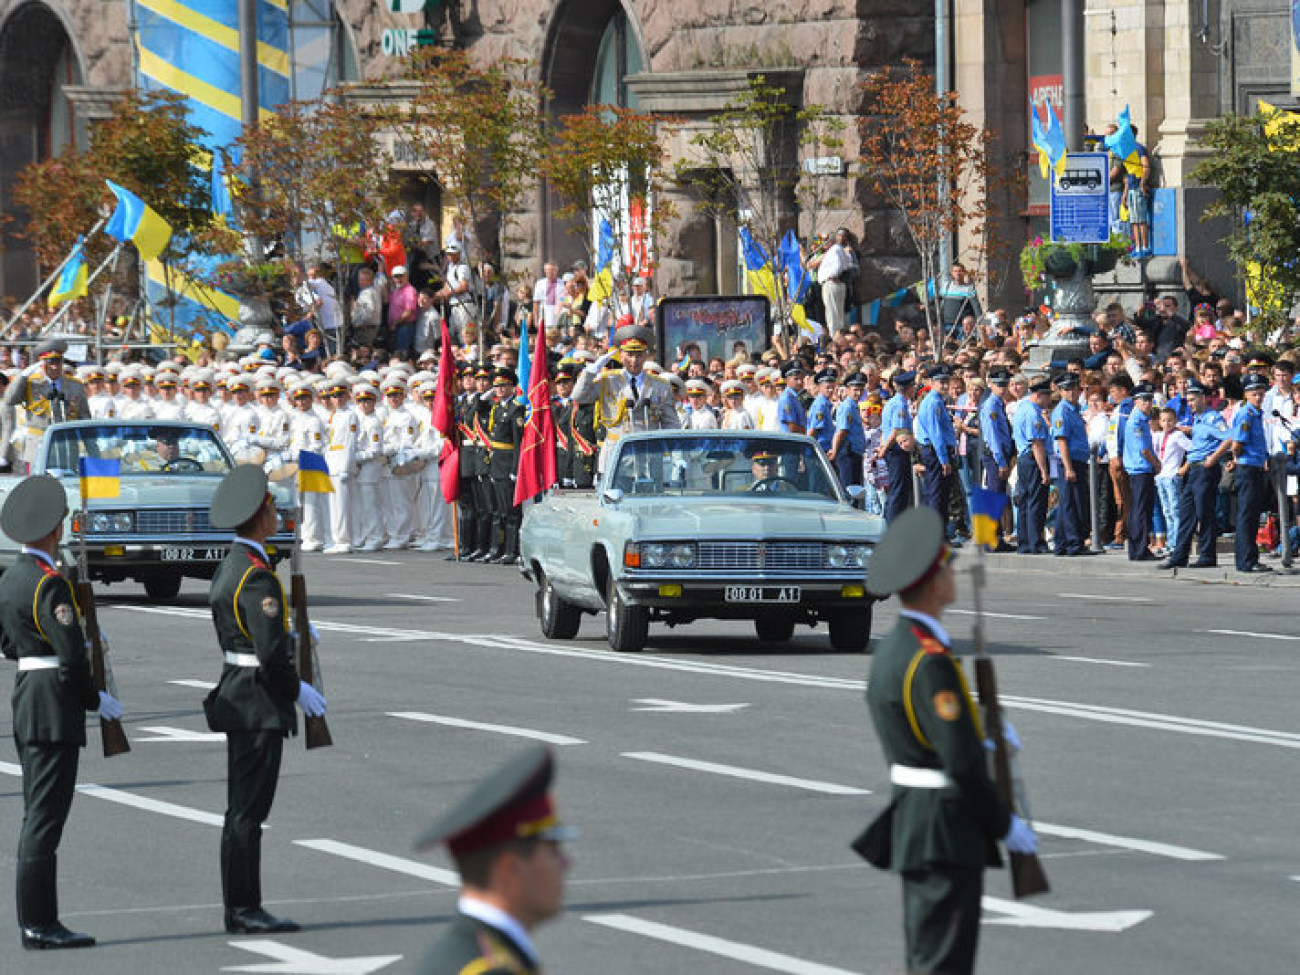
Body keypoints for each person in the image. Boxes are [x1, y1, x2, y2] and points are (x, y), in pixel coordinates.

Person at [860, 506, 1037, 975]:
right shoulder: (931, 659)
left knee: (928, 956)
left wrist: (981, 725)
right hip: (945, 828)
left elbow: (924, 727)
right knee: (944, 964)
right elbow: (961, 763)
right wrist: (1004, 825)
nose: (953, 573)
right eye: (947, 566)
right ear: (933, 581)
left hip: (917, 823)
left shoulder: (897, 649)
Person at [0, 475, 123, 950]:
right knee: (45, 820)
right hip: (54, 702)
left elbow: (9, 643)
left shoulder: (11, 578)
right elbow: (71, 656)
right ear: (54, 529)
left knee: (39, 814)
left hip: (29, 694)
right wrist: (96, 698)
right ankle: (39, 924)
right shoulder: (50, 584)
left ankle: (40, 921)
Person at [205, 465, 326, 935]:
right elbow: (270, 653)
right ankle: (242, 908)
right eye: (273, 507)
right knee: (247, 813)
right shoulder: (256, 576)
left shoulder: (234, 565)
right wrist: (299, 689)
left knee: (243, 811)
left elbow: (250, 631)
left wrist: (290, 630)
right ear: (260, 516)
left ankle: (242, 905)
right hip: (257, 699)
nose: (277, 513)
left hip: (240, 691)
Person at [413, 746, 574, 975]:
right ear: (512, 869)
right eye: (553, 851)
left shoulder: (468, 954)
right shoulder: (490, 969)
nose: (567, 864)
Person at [571, 324, 679, 476]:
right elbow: (578, 397)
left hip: (648, 458)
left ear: (646, 356)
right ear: (621, 355)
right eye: (629, 354)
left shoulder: (660, 385)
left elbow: (671, 424)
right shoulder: (608, 380)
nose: (634, 360)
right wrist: (590, 372)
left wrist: (677, 456)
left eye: (639, 355)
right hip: (616, 456)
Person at [0, 339, 89, 472]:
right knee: (35, 486)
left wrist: (93, 451)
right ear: (41, 364)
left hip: (65, 446)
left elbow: (85, 417)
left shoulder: (75, 386)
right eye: (50, 363)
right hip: (36, 444)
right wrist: (23, 376)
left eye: (58, 362)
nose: (54, 367)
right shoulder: (31, 384)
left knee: (67, 487)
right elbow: (9, 399)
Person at [1230, 373, 1272, 572]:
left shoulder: (1257, 414)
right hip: (1247, 467)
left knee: (1253, 515)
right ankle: (1246, 560)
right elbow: (1237, 443)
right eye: (1254, 394)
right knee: (1246, 515)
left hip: (1255, 467)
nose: (1259, 397)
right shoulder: (1246, 414)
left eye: (1261, 393)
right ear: (1247, 394)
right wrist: (1237, 459)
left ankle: (1251, 558)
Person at [1050, 373, 1091, 556]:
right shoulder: (1062, 411)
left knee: (1068, 502)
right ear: (1060, 391)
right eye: (1067, 389)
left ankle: (1061, 543)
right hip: (1070, 461)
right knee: (1072, 504)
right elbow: (1062, 441)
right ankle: (1074, 544)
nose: (1072, 392)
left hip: (1078, 460)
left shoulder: (1074, 409)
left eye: (1075, 388)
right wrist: (1068, 467)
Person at [915, 366, 958, 529]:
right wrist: (944, 460)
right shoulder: (933, 403)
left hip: (938, 451)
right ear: (932, 383)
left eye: (947, 382)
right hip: (935, 452)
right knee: (936, 495)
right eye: (941, 382)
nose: (945, 385)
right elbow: (936, 435)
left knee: (940, 495)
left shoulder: (938, 400)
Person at [1012, 378, 1052, 554]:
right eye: (1047, 396)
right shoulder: (1033, 413)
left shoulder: (1023, 408)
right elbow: (1036, 443)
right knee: (1036, 501)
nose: (1049, 399)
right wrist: (1044, 470)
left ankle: (1025, 541)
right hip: (1032, 459)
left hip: (1025, 459)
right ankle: (1035, 541)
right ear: (1038, 395)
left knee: (1026, 501)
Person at [1121, 383, 1159, 561]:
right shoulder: (1136, 421)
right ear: (1136, 401)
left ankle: (1139, 547)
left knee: (1142, 510)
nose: (1148, 403)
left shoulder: (1142, 419)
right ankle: (1139, 548)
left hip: (1142, 470)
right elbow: (1143, 449)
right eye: (1144, 399)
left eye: (1150, 399)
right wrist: (1156, 463)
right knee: (1140, 511)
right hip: (1140, 470)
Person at [877, 371, 917, 521]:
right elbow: (895, 431)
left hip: (892, 450)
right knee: (898, 491)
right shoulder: (900, 404)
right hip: (897, 451)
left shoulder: (892, 402)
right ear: (909, 388)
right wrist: (884, 449)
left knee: (897, 489)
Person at [828, 372, 868, 490]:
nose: (858, 393)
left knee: (855, 490)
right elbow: (841, 432)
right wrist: (834, 452)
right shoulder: (847, 407)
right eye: (855, 389)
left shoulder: (854, 406)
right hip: (848, 454)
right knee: (849, 491)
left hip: (854, 453)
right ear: (847, 389)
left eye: (861, 390)